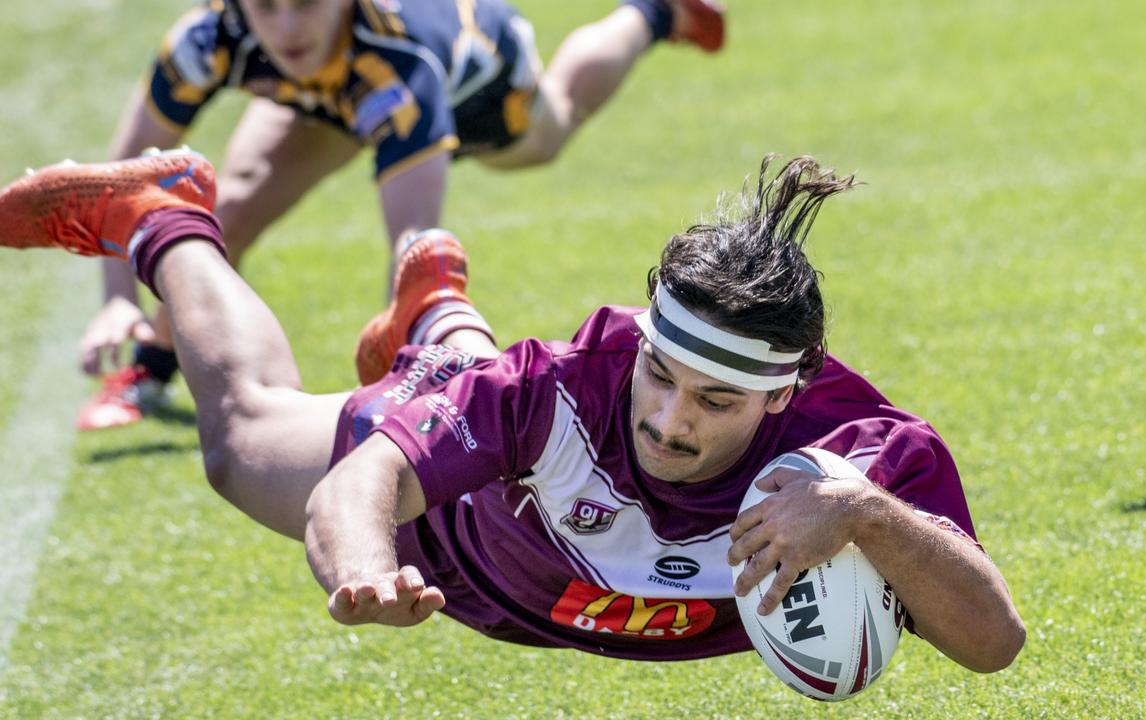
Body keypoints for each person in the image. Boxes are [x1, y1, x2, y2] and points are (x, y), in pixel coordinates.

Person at [0, 151, 1025, 671]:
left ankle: (437, 317)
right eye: (659, 376)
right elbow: (361, 488)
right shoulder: (562, 387)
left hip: (528, 524)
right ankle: (167, 216)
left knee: (466, 403)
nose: (670, 419)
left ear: (785, 395)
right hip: (450, 539)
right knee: (241, 444)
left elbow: (990, 642)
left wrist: (859, 515)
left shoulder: (860, 455)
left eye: (717, 402)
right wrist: (366, 566)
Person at [75, 0, 727, 430]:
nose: (288, 29)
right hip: (326, 91)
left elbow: (414, 254)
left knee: (551, 131)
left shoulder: (403, 67)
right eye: (267, 5)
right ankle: (149, 368)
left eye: (306, 2)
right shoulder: (209, 36)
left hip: (480, 86)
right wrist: (112, 297)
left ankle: (654, 12)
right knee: (232, 206)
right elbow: (125, 169)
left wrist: (406, 395)